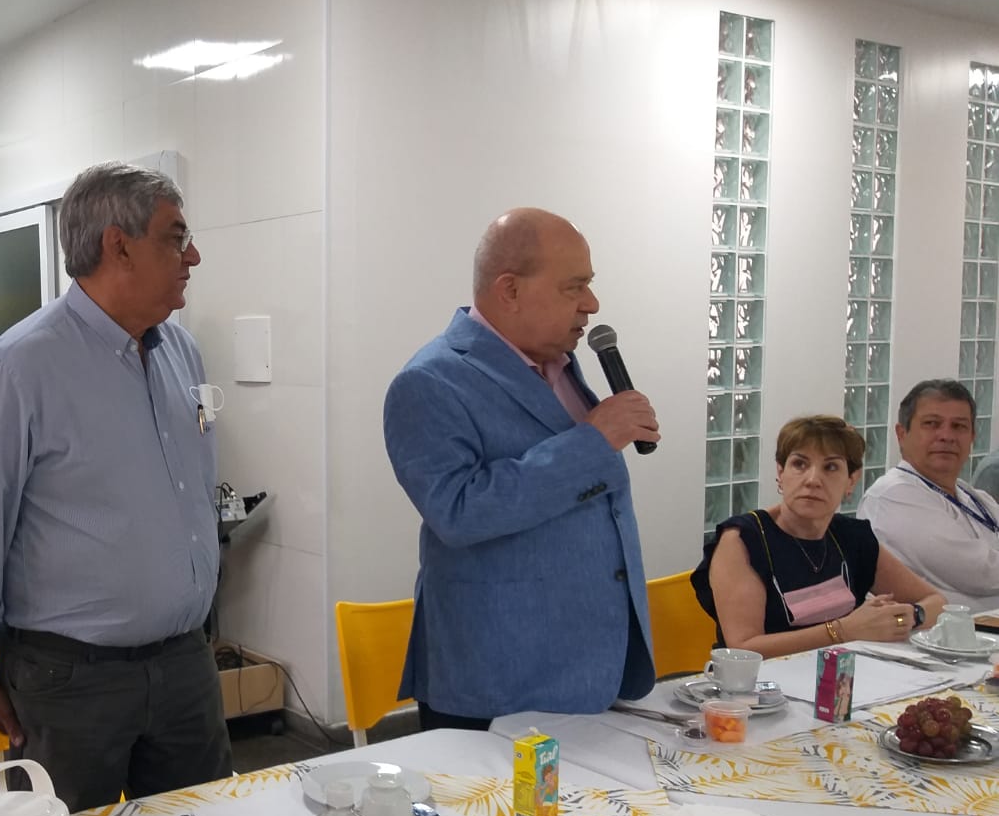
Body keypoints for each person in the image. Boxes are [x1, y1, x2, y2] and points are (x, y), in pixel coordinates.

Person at [0, 161, 232, 812]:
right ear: (117, 245)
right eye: (175, 238)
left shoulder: (181, 353)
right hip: (70, 679)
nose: (193, 257)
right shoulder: (18, 369)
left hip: (184, 663)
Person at [383, 207, 659, 727]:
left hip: (591, 668)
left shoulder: (560, 362)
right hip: (498, 680)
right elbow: (459, 512)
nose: (592, 304)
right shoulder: (429, 382)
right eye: (574, 287)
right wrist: (593, 441)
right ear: (509, 290)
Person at [691, 415, 946, 657]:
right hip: (761, 683)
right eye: (799, 464)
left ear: (851, 480)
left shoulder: (853, 537)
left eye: (830, 467)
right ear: (780, 473)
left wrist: (909, 616)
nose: (813, 480)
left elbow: (937, 603)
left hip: (844, 675)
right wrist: (844, 631)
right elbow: (743, 649)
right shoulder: (743, 540)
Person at [858, 380, 999, 607]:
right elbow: (980, 572)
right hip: (936, 629)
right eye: (932, 424)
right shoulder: (892, 495)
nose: (946, 436)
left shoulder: (974, 496)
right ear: (901, 434)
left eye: (959, 426)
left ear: (972, 436)